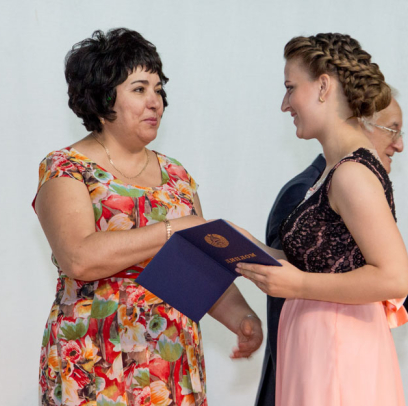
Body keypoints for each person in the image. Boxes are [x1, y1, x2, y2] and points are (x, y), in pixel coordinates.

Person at [33, 28, 262, 406]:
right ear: (103, 96)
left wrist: (241, 318)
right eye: (139, 89)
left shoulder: (177, 175)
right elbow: (79, 258)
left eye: (158, 90)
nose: (155, 101)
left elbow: (197, 269)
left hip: (170, 365)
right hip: (93, 362)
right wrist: (174, 229)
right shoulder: (66, 167)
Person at [236, 33, 408, 406]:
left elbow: (395, 277)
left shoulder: (351, 174)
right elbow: (326, 262)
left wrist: (298, 284)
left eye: (290, 88)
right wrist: (247, 246)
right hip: (320, 347)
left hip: (338, 352)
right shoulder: (334, 171)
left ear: (323, 87)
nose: (285, 104)